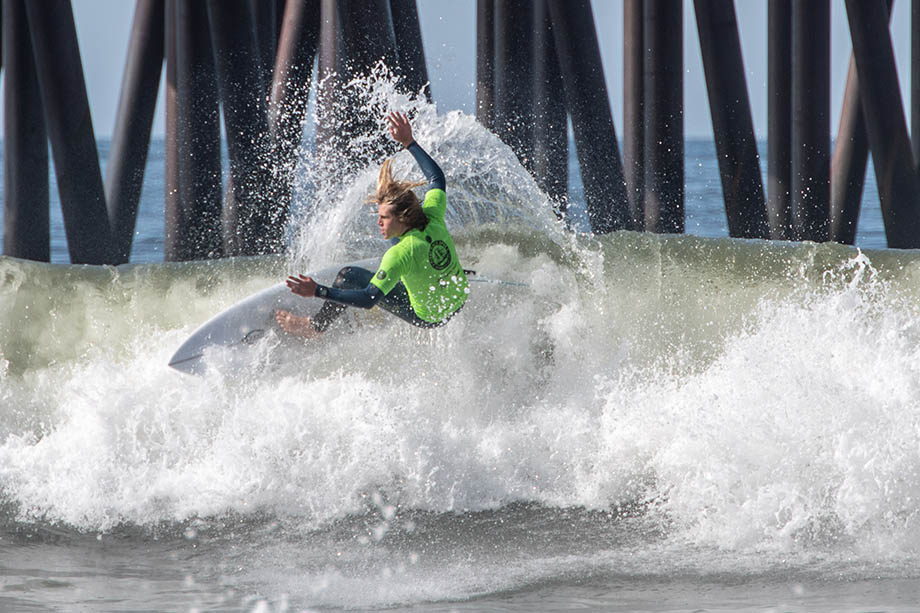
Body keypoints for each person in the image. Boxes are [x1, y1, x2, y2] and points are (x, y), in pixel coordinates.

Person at [275, 111, 469, 338]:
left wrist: (318, 290)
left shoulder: (400, 255)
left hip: (430, 316)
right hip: (458, 297)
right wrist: (409, 142)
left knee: (348, 276)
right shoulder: (432, 214)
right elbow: (437, 178)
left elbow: (368, 298)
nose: (378, 221)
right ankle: (426, 273)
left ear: (403, 216)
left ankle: (314, 328)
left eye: (384, 217)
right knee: (398, 239)